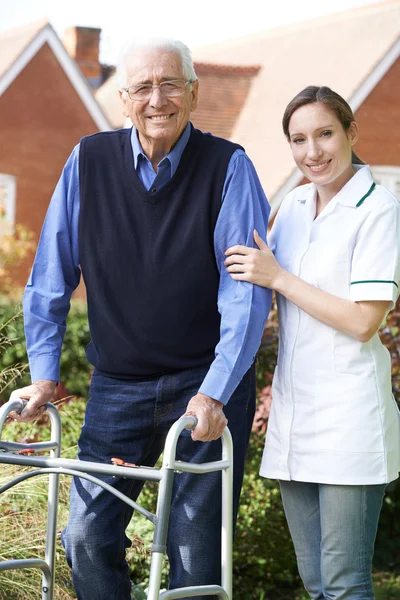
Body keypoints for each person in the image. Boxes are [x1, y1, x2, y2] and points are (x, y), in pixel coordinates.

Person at [9, 37, 272, 600]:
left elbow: (244, 295)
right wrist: (43, 372)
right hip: (117, 387)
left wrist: (216, 393)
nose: (158, 99)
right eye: (144, 87)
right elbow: (51, 274)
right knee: (84, 534)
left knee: (193, 552)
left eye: (170, 83)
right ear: (124, 99)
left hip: (205, 384)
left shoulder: (230, 168)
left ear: (194, 93)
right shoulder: (89, 160)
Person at [225, 85, 400, 600]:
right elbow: (251, 275)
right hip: (295, 413)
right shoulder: (295, 203)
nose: (313, 152)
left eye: (325, 134)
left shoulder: (380, 210)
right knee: (316, 581)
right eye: (298, 140)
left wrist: (278, 277)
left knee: (345, 583)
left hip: (350, 417)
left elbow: (363, 321)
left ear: (351, 132)